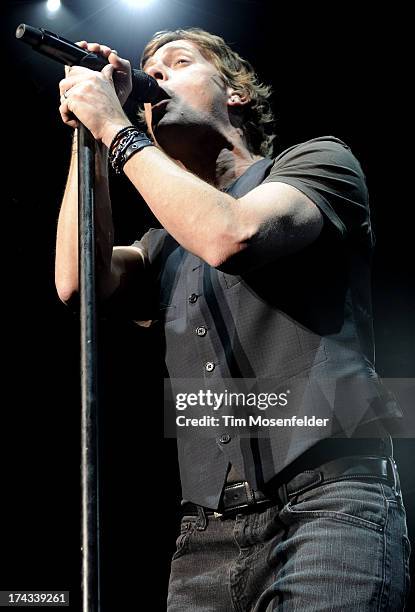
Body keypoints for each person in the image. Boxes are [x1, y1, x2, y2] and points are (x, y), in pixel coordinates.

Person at [55, 28, 411, 611]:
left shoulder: (317, 163)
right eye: (151, 72)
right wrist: (90, 140)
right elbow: (77, 283)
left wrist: (117, 131)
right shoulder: (161, 243)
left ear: (237, 93)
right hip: (206, 537)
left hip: (330, 506)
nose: (157, 78)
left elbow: (231, 235)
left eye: (178, 63)